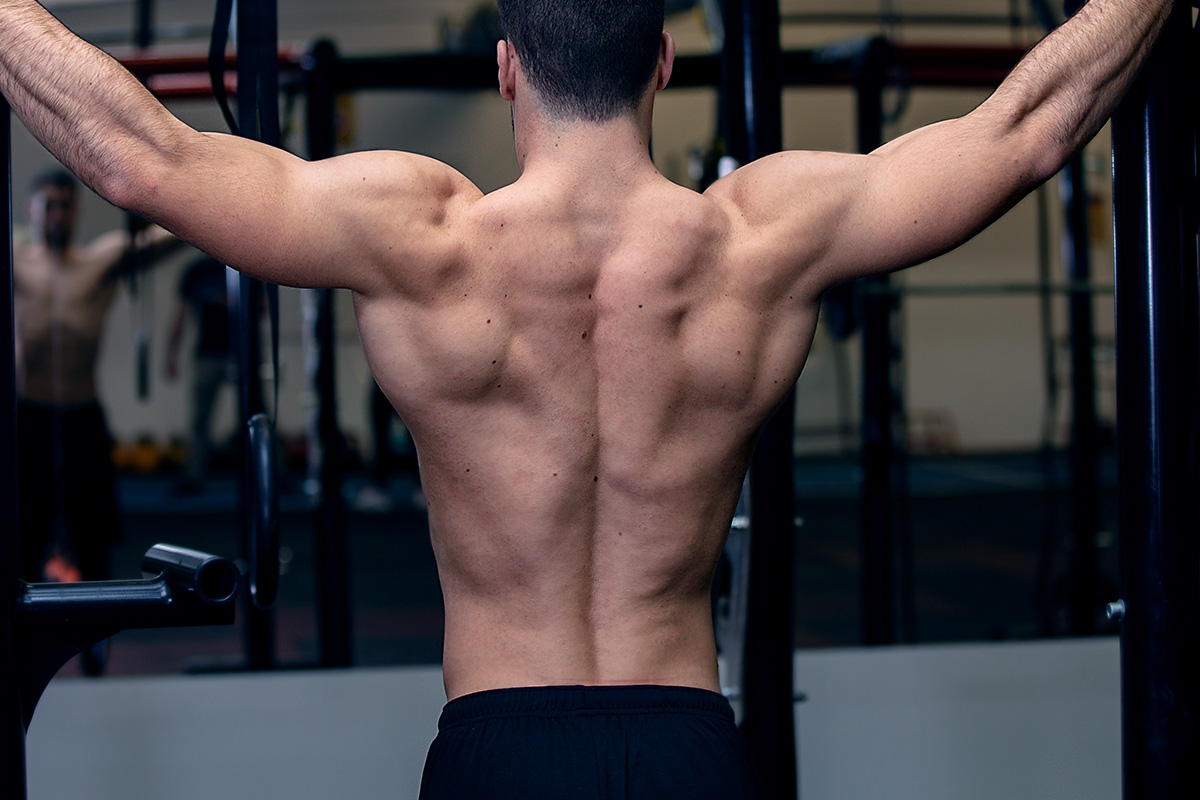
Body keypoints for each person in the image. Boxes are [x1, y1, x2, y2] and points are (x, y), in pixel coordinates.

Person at [0, 0, 1174, 794]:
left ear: (506, 61)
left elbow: (134, 157)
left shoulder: (421, 234)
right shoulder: (763, 236)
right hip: (688, 744)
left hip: (498, 744)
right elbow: (1026, 132)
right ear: (662, 61)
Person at [14, 168, 181, 589]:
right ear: (32, 210)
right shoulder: (14, 263)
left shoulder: (100, 261)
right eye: (48, 206)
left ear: (78, 211)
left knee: (93, 538)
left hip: (82, 416)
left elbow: (173, 235)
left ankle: (96, 651)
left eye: (65, 207)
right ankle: (18, 645)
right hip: (27, 417)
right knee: (23, 533)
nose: (56, 216)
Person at [165, 255, 233, 492]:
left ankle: (274, 475)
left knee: (258, 413)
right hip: (208, 353)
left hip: (243, 352)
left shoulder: (243, 263)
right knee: (199, 419)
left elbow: (264, 306)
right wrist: (171, 355)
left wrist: (233, 303)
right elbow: (180, 316)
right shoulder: (196, 271)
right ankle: (194, 475)